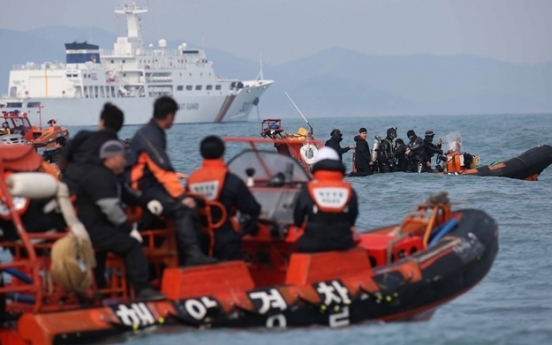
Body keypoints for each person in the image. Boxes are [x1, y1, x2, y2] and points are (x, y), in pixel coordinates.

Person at [127, 96, 216, 266]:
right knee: (184, 208)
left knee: (180, 203)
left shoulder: (148, 132)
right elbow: (163, 171)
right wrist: (182, 197)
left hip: (142, 186)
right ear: (169, 115)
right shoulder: (151, 135)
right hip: (140, 188)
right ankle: (192, 255)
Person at [77, 140, 165, 301]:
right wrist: (129, 230)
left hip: (101, 227)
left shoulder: (111, 176)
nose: (125, 161)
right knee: (131, 245)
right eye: (122, 158)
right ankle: (142, 290)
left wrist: (147, 202)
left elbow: (128, 195)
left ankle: (102, 290)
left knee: (111, 250)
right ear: (111, 159)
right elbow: (110, 208)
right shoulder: (99, 177)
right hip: (93, 228)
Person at [186, 136, 261, 261]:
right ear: (223, 153)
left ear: (201, 153)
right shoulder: (231, 180)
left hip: (199, 240)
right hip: (226, 242)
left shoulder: (191, 180)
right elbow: (253, 208)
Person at [294, 147, 358, 253]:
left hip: (312, 244)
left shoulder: (308, 189)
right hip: (343, 244)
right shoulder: (349, 190)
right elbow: (352, 219)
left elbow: (297, 218)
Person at [60, 103, 124, 193]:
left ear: (102, 122)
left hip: (70, 188)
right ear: (120, 125)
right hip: (101, 192)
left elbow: (62, 159)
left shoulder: (83, 135)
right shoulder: (118, 147)